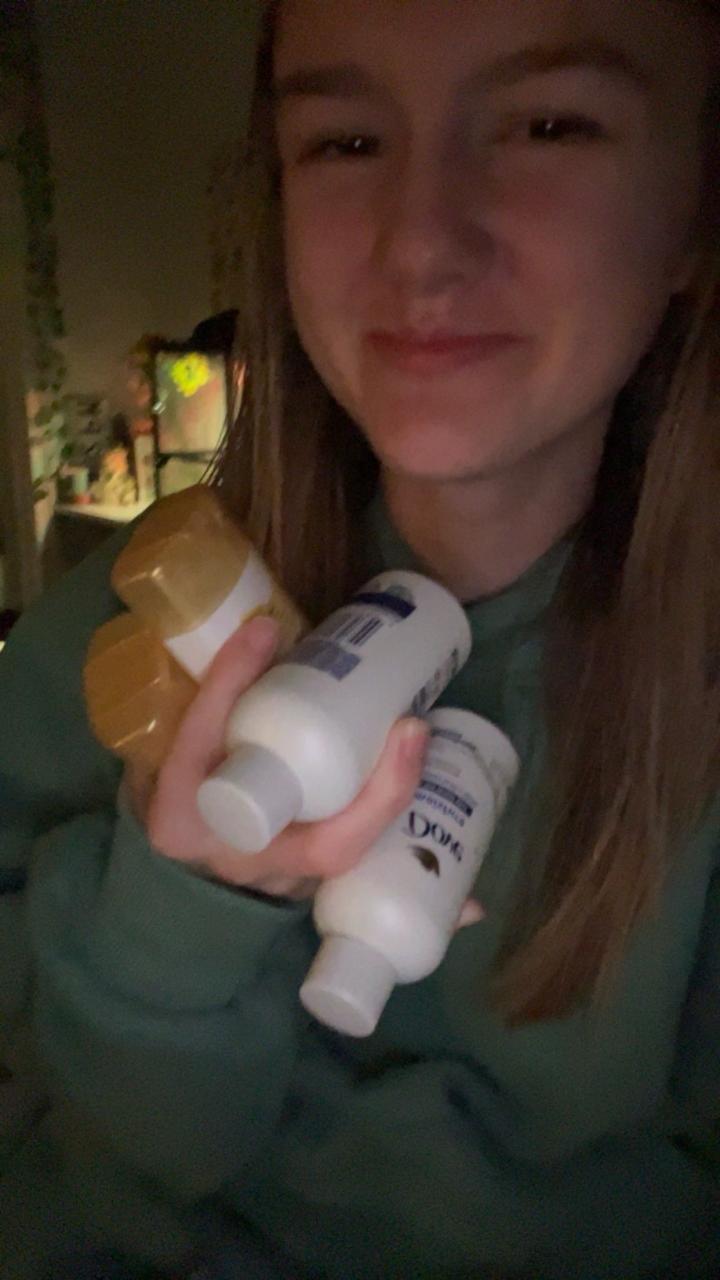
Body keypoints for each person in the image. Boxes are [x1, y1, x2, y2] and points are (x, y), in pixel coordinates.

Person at [1, 0, 719, 1276]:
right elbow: (109, 1143)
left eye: (549, 125)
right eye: (343, 142)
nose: (420, 242)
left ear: (694, 213)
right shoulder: (115, 640)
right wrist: (179, 917)